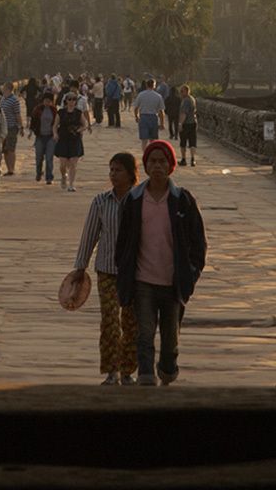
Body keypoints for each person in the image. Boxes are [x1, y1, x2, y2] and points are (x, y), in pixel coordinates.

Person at [115, 139, 206, 387]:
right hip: (143, 280)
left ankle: (167, 372)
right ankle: (146, 380)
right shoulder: (134, 200)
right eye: (152, 161)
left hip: (173, 282)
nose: (157, 166)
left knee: (170, 341)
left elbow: (198, 242)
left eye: (162, 161)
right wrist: (124, 271)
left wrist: (192, 271)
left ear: (171, 166)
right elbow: (122, 242)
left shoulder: (182, 200)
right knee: (144, 335)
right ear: (145, 166)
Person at [69, 152, 139, 385]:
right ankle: (111, 371)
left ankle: (128, 370)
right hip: (107, 270)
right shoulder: (100, 201)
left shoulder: (140, 201)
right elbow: (89, 236)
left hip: (134, 272)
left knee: (131, 322)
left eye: (118, 170)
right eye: (111, 170)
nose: (113, 175)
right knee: (109, 320)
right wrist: (80, 266)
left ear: (131, 174)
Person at [54, 87, 86, 192]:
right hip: (63, 139)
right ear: (66, 100)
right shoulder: (61, 112)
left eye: (74, 99)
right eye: (69, 99)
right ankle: (64, 176)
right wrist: (55, 134)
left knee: (73, 163)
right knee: (63, 164)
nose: (71, 101)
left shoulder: (78, 112)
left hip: (74, 139)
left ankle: (71, 184)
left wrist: (78, 130)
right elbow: (55, 125)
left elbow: (84, 125)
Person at [29, 89, 58, 183]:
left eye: (49, 101)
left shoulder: (54, 110)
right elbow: (33, 122)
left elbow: (57, 123)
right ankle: (38, 172)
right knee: (39, 158)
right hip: (40, 136)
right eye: (46, 101)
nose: (47, 103)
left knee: (49, 158)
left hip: (50, 137)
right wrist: (30, 132)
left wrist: (56, 134)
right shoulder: (37, 109)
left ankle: (49, 177)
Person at [0, 81, 25, 176]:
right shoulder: (3, 99)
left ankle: (11, 169)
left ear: (8, 89)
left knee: (11, 148)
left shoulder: (14, 100)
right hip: (3, 127)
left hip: (11, 127)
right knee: (5, 149)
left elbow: (17, 114)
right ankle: (8, 168)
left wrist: (21, 126)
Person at [133, 78, 166, 149]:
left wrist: (136, 116)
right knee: (152, 140)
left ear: (146, 85)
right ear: (154, 85)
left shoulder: (141, 95)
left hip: (143, 117)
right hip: (153, 117)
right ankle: (151, 153)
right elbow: (161, 111)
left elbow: (136, 108)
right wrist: (162, 123)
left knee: (144, 140)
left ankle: (145, 154)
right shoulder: (158, 96)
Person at [178, 84, 198, 167]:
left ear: (186, 91)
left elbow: (184, 113)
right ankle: (193, 159)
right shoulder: (192, 99)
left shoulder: (186, 100)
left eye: (182, 91)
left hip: (186, 123)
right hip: (193, 122)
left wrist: (180, 124)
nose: (181, 93)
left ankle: (184, 159)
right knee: (192, 142)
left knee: (183, 142)